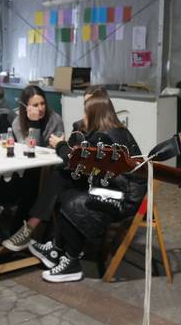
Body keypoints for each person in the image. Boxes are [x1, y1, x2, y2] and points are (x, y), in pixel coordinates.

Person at [25, 95, 145, 282]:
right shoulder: (113, 130)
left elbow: (77, 163)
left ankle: (71, 260)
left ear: (94, 114)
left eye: (85, 111)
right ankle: (56, 250)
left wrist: (61, 145)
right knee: (61, 179)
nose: (83, 116)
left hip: (123, 197)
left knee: (69, 197)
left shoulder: (104, 137)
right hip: (119, 188)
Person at [1, 85, 108, 251]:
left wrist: (58, 142)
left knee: (52, 178)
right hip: (41, 168)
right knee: (25, 181)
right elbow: (30, 150)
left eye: (42, 103)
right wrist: (35, 123)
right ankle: (15, 223)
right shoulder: (18, 121)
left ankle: (27, 231)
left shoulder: (56, 119)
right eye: (35, 105)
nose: (40, 108)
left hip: (63, 171)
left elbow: (63, 155)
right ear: (26, 107)